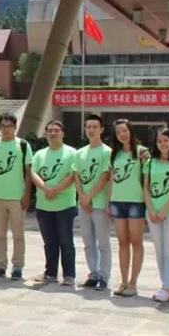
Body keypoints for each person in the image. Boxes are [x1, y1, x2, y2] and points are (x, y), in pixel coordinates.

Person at [31, 120, 78, 285]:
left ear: (63, 133)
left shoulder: (72, 153)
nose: (53, 133)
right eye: (49, 130)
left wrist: (55, 190)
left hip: (65, 205)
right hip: (43, 205)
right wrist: (46, 189)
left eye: (56, 130)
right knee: (49, 242)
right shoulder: (39, 154)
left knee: (66, 241)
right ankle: (50, 273)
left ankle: (69, 275)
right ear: (45, 134)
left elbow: (72, 176)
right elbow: (33, 173)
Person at [0, 112, 30, 280]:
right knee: (0, 234)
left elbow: (28, 172)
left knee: (18, 235)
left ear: (15, 127)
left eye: (9, 126)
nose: (6, 129)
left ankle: (17, 267)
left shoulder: (22, 145)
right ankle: (1, 266)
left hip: (17, 198)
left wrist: (26, 194)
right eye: (3, 126)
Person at [108, 118, 150, 297]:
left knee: (136, 242)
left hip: (136, 203)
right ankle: (124, 281)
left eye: (124, 130)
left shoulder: (142, 152)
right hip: (117, 203)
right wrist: (108, 203)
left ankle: (133, 283)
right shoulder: (114, 154)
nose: (122, 135)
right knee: (122, 243)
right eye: (118, 132)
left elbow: (147, 181)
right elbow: (111, 180)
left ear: (131, 131)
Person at [144, 127, 169, 303]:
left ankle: (166, 287)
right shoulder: (149, 162)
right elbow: (146, 188)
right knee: (159, 251)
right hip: (152, 213)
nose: (163, 144)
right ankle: (165, 285)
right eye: (159, 141)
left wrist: (164, 210)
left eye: (166, 140)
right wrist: (152, 210)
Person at [73, 114, 112, 290]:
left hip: (100, 204)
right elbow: (77, 175)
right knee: (88, 242)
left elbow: (105, 176)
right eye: (88, 126)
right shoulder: (80, 153)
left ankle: (103, 276)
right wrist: (82, 196)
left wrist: (89, 197)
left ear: (101, 129)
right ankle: (93, 274)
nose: (91, 130)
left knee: (103, 243)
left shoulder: (107, 152)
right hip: (83, 204)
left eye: (95, 127)